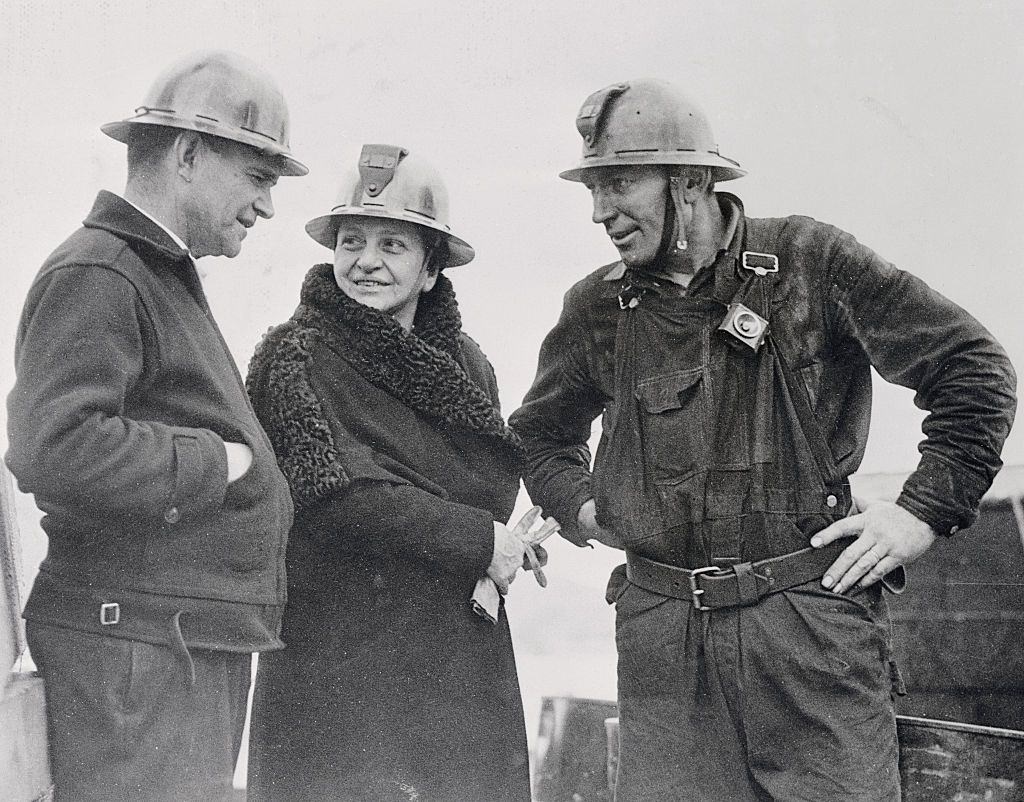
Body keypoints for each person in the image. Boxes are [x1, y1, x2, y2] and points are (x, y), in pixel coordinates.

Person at [509, 78, 1017, 801]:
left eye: (618, 184)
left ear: (689, 180)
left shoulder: (811, 262)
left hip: (809, 639)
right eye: (594, 189)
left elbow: (974, 369)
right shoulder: (598, 307)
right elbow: (539, 433)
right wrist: (585, 508)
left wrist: (923, 512)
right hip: (665, 645)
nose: (600, 213)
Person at [5, 50, 307, 801]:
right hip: (138, 659)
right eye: (258, 176)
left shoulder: (148, 271)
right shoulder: (101, 272)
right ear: (189, 154)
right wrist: (221, 462)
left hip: (163, 650)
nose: (268, 206)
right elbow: (54, 446)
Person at [245, 143, 542, 802]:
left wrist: (494, 539)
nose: (367, 261)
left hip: (460, 664)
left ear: (431, 269)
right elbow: (334, 499)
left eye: (393, 245)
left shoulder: (469, 364)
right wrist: (481, 539)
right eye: (351, 241)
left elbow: (494, 480)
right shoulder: (292, 359)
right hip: (339, 673)